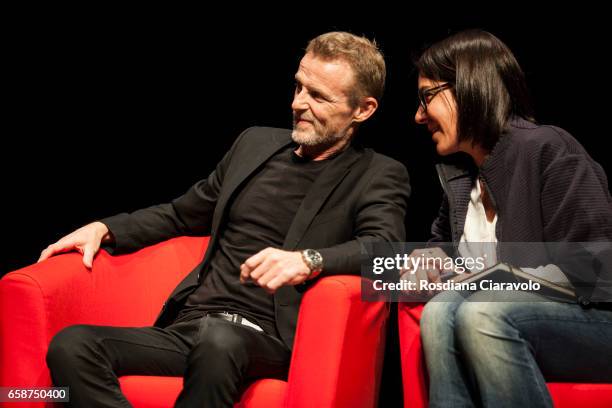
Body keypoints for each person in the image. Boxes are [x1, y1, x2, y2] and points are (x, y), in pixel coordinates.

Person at [40, 31, 411, 407]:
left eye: (318, 97)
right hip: (192, 326)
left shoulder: (377, 174)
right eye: (299, 87)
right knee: (72, 345)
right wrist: (106, 228)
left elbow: (389, 253)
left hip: (268, 339)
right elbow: (182, 214)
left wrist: (307, 261)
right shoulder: (255, 143)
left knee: (220, 340)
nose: (299, 103)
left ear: (363, 109)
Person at [410, 29, 612, 407]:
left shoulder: (549, 149)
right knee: (437, 313)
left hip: (595, 324)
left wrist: (488, 281)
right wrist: (430, 259)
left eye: (427, 97)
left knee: (484, 312)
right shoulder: (458, 179)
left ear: (469, 87)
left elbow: (596, 272)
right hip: (503, 320)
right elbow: (445, 251)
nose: (419, 116)